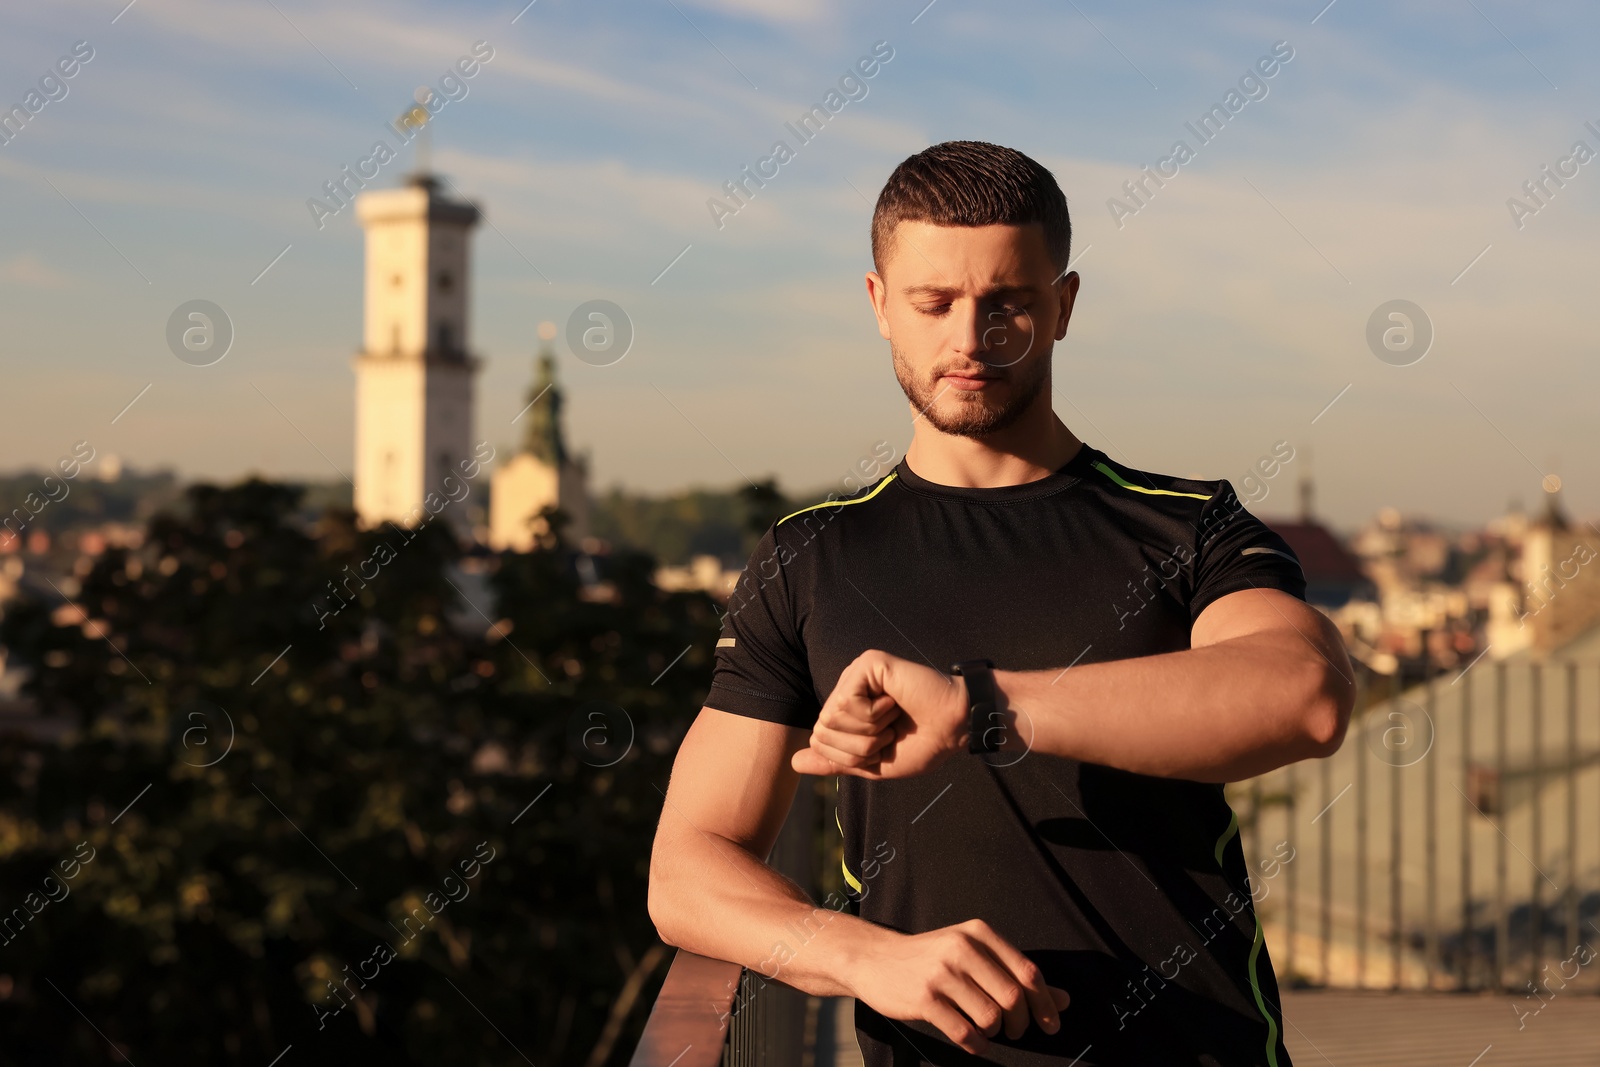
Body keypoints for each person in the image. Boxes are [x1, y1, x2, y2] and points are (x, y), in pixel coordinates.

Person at [647, 140, 1354, 1066]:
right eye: (933, 304)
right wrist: (863, 957)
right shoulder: (810, 557)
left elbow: (1304, 693)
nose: (969, 340)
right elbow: (686, 870)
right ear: (878, 306)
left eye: (1007, 304)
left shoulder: (1187, 527)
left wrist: (982, 708)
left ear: (1062, 307)